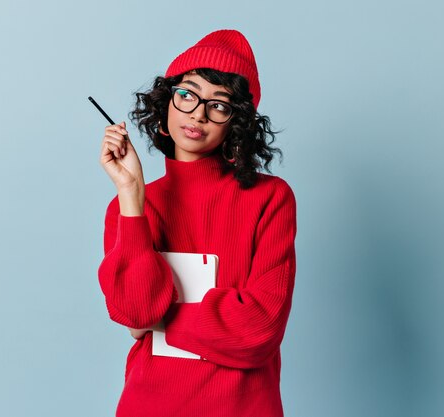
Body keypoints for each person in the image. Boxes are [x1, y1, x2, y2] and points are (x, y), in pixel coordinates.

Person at [97, 29, 297, 417]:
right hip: (148, 405)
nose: (198, 114)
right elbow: (136, 313)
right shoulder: (130, 206)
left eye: (218, 105)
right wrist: (132, 195)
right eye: (187, 94)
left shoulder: (271, 198)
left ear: (236, 123)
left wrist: (162, 317)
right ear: (166, 102)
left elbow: (259, 331)